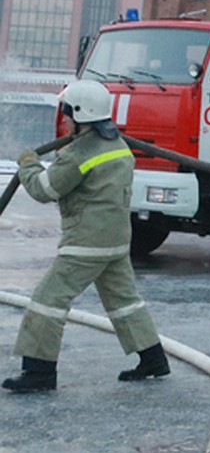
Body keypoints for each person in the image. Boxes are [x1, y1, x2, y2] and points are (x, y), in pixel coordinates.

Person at [3, 79, 170, 393]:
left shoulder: (79, 153)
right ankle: (153, 358)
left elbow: (44, 189)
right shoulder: (118, 145)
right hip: (117, 240)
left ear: (80, 116)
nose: (64, 120)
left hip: (85, 243)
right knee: (125, 302)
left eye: (67, 114)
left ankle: (39, 372)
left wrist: (28, 164)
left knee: (48, 300)